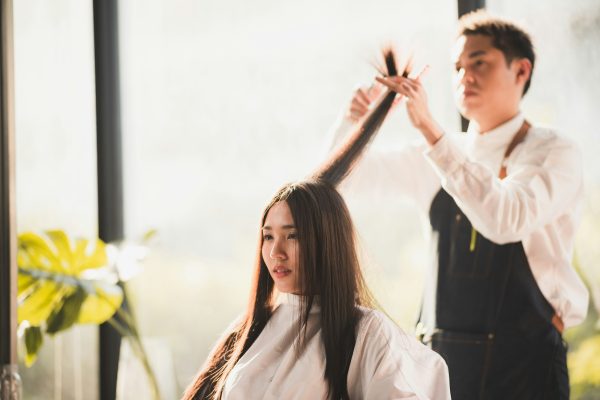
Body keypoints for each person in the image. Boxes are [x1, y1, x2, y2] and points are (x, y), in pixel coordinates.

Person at [331, 9, 588, 399]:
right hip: (442, 368)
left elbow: (507, 218)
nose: (464, 76)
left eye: (479, 62)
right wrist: (356, 125)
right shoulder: (435, 153)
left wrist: (432, 133)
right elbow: (341, 183)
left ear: (521, 71)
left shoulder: (553, 151)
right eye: (456, 67)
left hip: (526, 366)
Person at [182, 180, 451, 400]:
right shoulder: (248, 329)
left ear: (327, 243)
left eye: (293, 235)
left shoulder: (366, 331)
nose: (276, 252)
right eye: (268, 236)